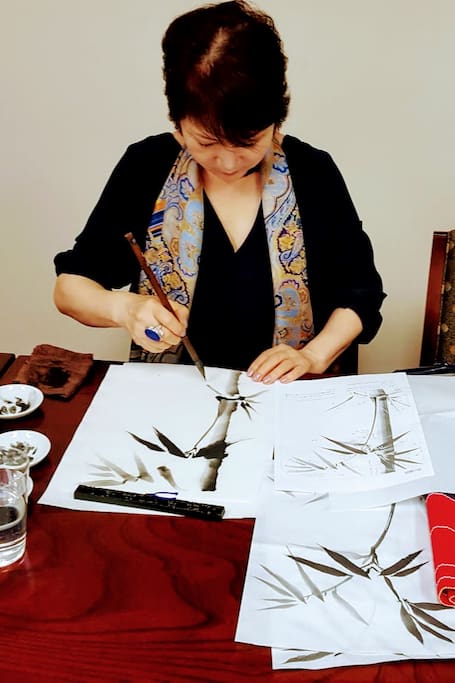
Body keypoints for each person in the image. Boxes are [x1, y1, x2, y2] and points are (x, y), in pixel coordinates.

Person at [53, 0, 385, 384]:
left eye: (247, 142)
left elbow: (361, 295)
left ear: (277, 121)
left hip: (288, 395)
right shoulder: (147, 165)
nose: (227, 163)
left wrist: (312, 355)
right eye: (206, 142)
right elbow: (70, 287)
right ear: (178, 123)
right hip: (176, 394)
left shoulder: (313, 172)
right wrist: (123, 308)